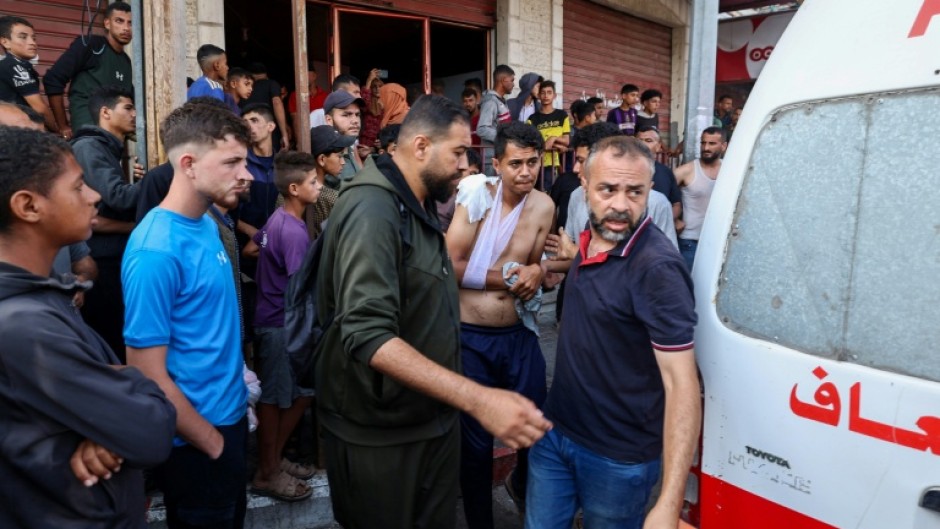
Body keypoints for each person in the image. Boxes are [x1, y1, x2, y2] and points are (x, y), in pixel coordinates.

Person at [315, 95, 552, 529]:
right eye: (459, 153)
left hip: (420, 422)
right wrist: (477, 398)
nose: (466, 167)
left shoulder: (413, 201)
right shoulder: (373, 208)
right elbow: (367, 334)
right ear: (421, 147)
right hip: (383, 435)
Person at [0, 125, 176, 529]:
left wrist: (109, 411)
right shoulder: (25, 326)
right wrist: (128, 388)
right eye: (78, 186)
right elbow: (150, 430)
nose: (94, 195)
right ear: (28, 206)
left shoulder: (42, 298)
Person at [526, 135, 701, 529]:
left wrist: (669, 504)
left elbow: (682, 385)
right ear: (584, 186)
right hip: (555, 434)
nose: (621, 205)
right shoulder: (587, 239)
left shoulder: (658, 270)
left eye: (634, 191)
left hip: (618, 459)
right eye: (607, 189)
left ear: (650, 190)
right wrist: (548, 268)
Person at [123, 101, 252, 529]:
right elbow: (145, 372)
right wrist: (212, 443)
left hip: (229, 421)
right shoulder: (155, 250)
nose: (246, 174)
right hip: (197, 442)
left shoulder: (206, 223)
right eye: (232, 162)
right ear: (189, 163)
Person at [446, 121, 554, 528]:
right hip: (471, 336)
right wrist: (512, 275)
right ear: (498, 164)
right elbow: (451, 266)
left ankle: (521, 489)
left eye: (532, 162)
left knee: (536, 425)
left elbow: (535, 267)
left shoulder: (544, 206)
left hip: (518, 335)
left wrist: (539, 272)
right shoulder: (476, 197)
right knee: (474, 443)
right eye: (516, 164)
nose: (525, 172)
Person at [244, 151, 321, 502]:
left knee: (297, 395)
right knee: (276, 400)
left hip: (272, 320)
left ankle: (273, 461)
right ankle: (267, 471)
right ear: (294, 188)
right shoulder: (293, 233)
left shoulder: (275, 221)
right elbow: (298, 286)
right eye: (313, 182)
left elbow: (252, 247)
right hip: (280, 325)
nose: (319, 187)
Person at [71, 84, 139, 362]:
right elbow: (117, 199)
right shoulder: (89, 147)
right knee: (110, 344)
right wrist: (162, 179)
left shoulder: (107, 149)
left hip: (112, 260)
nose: (135, 114)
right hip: (102, 263)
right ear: (105, 112)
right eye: (128, 107)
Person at [44, 2, 133, 137]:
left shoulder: (125, 60)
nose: (126, 28)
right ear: (107, 24)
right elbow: (53, 79)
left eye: (130, 23)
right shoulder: (91, 45)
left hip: (114, 134)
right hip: (89, 132)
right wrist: (62, 126)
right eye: (119, 21)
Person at [675, 126, 726, 270]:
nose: (706, 148)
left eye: (712, 143)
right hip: (690, 241)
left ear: (723, 146)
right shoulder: (686, 171)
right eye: (703, 143)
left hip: (720, 241)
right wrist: (674, 219)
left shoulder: (729, 170)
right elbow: (662, 193)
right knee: (688, 288)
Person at [0, 16, 58, 132]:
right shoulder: (14, 66)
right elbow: (40, 109)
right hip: (13, 133)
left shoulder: (17, 65)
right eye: (23, 37)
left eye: (34, 38)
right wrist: (57, 131)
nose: (32, 43)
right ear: (5, 42)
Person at [306, 125, 355, 238]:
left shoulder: (293, 189)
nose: (343, 162)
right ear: (322, 159)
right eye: (339, 156)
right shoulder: (333, 199)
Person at [637, 125, 683, 232]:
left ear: (658, 147)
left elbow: (676, 204)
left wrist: (667, 219)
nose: (643, 144)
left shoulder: (666, 172)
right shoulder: (624, 171)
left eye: (648, 140)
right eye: (639, 140)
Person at [526, 80, 569, 192]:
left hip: (552, 163)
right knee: (534, 193)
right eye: (543, 93)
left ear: (554, 95)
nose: (546, 96)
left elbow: (566, 141)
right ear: (539, 96)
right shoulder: (532, 119)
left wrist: (553, 139)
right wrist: (546, 145)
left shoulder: (562, 115)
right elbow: (529, 141)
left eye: (549, 92)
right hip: (535, 162)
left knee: (548, 194)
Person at [241, 62, 291, 151]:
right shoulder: (272, 84)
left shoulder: (243, 88)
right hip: (269, 130)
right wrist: (284, 134)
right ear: (266, 74)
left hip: (247, 131)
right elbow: (277, 102)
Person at [477, 64, 515, 172]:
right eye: (511, 80)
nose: (513, 84)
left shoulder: (501, 101)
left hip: (500, 157)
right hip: (491, 159)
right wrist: (503, 138)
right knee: (492, 188)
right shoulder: (491, 101)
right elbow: (482, 129)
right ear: (503, 80)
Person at [323, 89, 366, 183]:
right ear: (329, 120)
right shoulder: (328, 156)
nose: (355, 120)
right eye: (346, 115)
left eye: (357, 114)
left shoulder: (349, 148)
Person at [436, 147, 481, 233]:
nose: (471, 177)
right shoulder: (435, 189)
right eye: (464, 170)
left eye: (474, 173)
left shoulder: (470, 198)